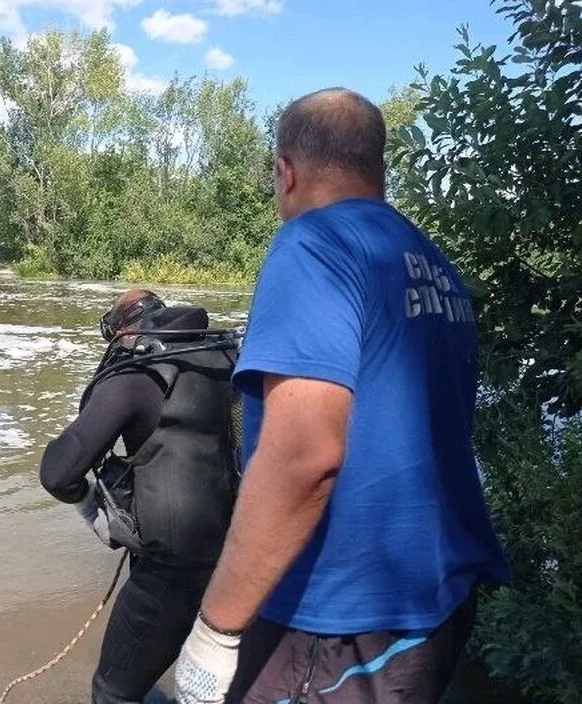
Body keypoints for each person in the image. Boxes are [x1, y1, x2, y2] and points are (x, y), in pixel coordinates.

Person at [173, 88, 511, 704]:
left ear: (286, 171)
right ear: (377, 167)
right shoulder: (432, 264)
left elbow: (305, 456)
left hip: (336, 620)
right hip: (432, 601)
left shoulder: (314, 246)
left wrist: (216, 629)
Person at [39, 289, 239, 704]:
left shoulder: (136, 372)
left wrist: (91, 506)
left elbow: (57, 472)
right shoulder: (224, 358)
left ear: (124, 330)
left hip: (172, 569)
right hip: (240, 557)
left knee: (114, 690)